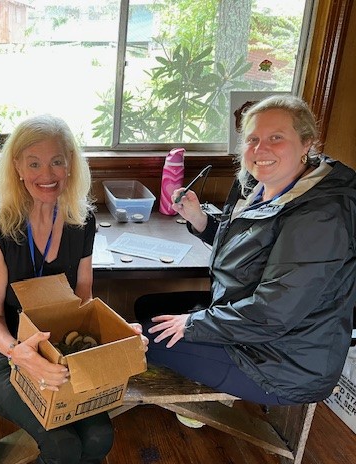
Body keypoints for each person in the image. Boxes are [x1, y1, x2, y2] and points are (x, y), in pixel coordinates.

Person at [137, 94, 356, 406]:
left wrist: (192, 324)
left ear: (307, 143)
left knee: (143, 339)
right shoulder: (258, 184)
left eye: (276, 138)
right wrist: (200, 221)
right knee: (148, 307)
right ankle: (195, 387)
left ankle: (195, 403)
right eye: (252, 139)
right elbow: (252, 249)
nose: (260, 149)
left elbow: (272, 315)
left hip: (282, 363)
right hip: (249, 326)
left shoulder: (321, 216)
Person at [0, 114, 148, 464]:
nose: (46, 174)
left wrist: (116, 332)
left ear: (70, 164)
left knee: (100, 436)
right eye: (33, 163)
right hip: (2, 351)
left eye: (56, 161)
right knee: (62, 445)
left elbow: (83, 300)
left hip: (61, 347)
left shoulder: (81, 220)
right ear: (16, 167)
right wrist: (18, 353)